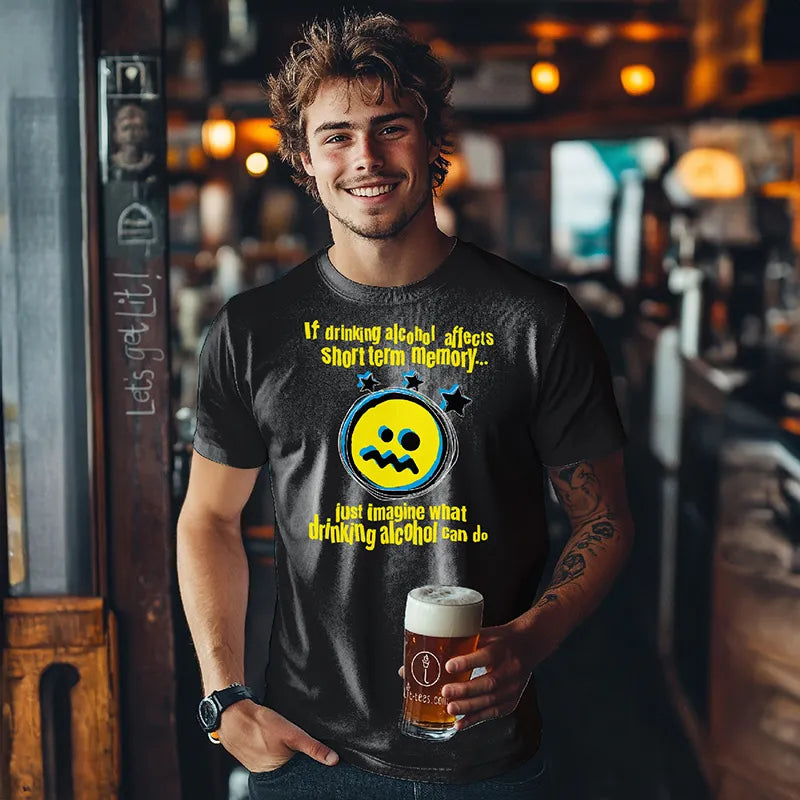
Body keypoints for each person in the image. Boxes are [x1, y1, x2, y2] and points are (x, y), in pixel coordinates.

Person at [177, 11, 634, 799]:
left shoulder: (535, 322)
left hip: (490, 764)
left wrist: (528, 643)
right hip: (307, 760)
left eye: (391, 127)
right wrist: (224, 701)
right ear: (305, 160)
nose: (366, 157)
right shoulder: (254, 332)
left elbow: (606, 516)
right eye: (337, 135)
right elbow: (208, 519)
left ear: (431, 143)